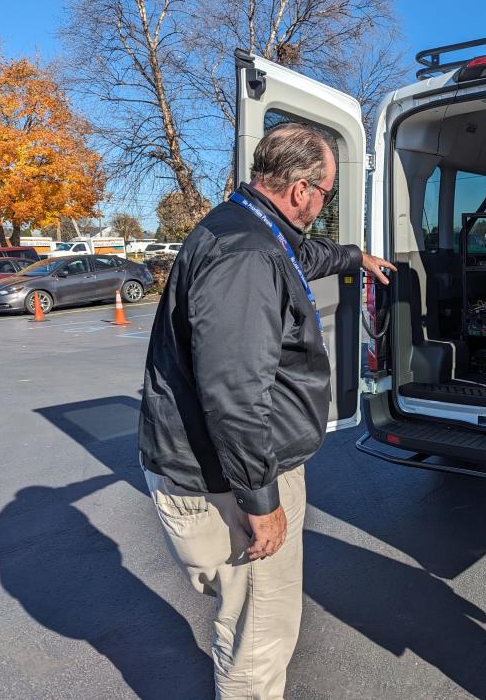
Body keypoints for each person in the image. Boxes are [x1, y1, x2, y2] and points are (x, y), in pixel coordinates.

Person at [138, 122, 395, 697]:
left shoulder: (248, 226)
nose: (323, 204)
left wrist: (354, 257)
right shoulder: (247, 258)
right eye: (326, 193)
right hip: (232, 485)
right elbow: (234, 395)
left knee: (248, 623)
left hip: (217, 473)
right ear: (302, 189)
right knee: (259, 639)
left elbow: (303, 253)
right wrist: (261, 501)